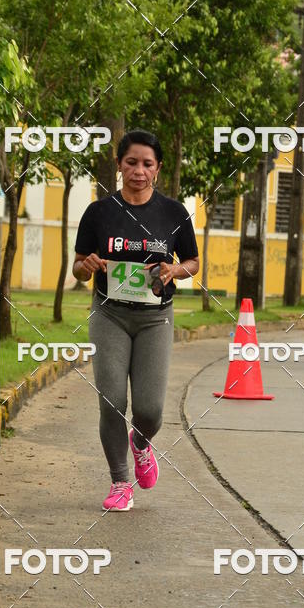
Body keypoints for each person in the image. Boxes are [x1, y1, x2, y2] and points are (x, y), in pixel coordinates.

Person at [72, 130, 200, 511]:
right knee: (111, 400)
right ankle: (119, 482)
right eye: (131, 163)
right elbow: (78, 267)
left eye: (147, 164)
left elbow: (193, 263)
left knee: (150, 410)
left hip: (155, 319)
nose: (138, 171)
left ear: (158, 169)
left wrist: (175, 271)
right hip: (109, 314)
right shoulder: (99, 212)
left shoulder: (174, 214)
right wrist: (88, 265)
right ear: (119, 165)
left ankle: (141, 444)